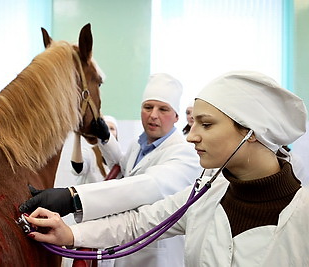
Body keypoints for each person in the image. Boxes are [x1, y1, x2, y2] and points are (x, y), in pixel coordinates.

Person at [24, 71, 309, 266]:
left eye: (206, 124)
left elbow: (151, 185)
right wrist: (69, 234)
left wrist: (73, 197)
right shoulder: (205, 194)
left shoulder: (303, 217)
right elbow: (139, 222)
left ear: (252, 133)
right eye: (147, 107)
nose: (191, 135)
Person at [20, 73, 202, 267]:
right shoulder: (138, 145)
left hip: (157, 258)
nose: (153, 115)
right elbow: (124, 168)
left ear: (176, 116)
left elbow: (147, 185)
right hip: (125, 249)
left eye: (163, 109)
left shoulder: (185, 154)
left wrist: (73, 198)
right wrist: (106, 138)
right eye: (148, 107)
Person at [71, 115, 119, 185]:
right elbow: (77, 170)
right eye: (105, 128)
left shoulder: (120, 158)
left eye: (112, 128)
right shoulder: (89, 153)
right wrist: (77, 135)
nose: (108, 131)